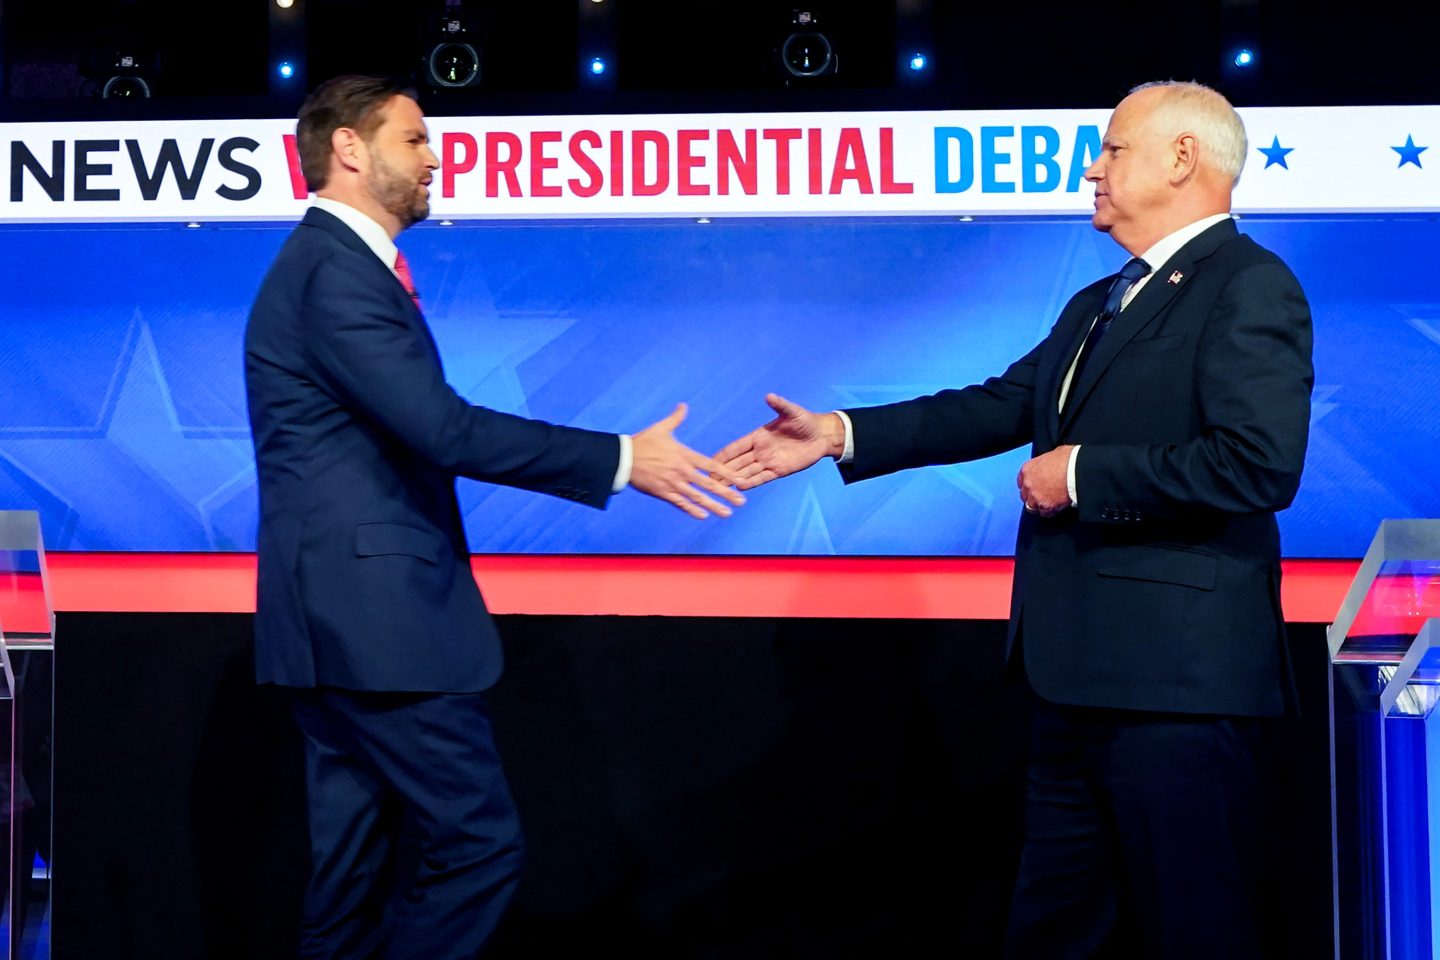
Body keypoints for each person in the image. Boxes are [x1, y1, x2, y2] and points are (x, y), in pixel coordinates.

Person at [716, 80, 1312, 959]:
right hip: (1072, 684)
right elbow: (998, 404)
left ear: (1183, 158)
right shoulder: (1100, 300)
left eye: (1112, 150)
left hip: (1176, 693)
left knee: (1197, 930)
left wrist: (1084, 473)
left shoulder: (1248, 286)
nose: (1093, 169)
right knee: (1049, 932)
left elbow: (1259, 464)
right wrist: (842, 434)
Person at [244, 75, 743, 960]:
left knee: (350, 878)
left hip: (342, 624)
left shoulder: (334, 268)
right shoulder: (332, 272)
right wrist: (622, 458)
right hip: (375, 626)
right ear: (350, 151)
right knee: (477, 844)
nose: (435, 157)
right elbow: (441, 427)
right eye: (413, 140)